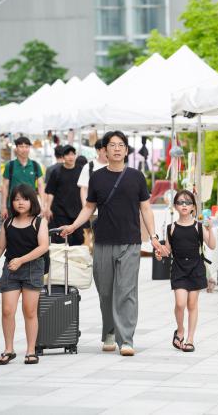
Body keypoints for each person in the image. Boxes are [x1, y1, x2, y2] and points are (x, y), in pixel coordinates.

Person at [58, 131, 165, 356]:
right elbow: (89, 207)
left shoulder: (136, 177)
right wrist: (73, 226)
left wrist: (154, 237)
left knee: (126, 291)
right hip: (103, 241)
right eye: (112, 145)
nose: (116, 149)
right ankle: (109, 331)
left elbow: (145, 208)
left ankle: (126, 339)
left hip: (130, 242)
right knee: (105, 291)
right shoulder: (97, 177)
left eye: (121, 145)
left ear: (126, 150)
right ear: (104, 150)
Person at [0, 185, 49, 365]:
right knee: (7, 310)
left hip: (33, 269)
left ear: (32, 201)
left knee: (29, 311)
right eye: (17, 199)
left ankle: (30, 350)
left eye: (25, 199)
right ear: (11, 202)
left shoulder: (39, 221)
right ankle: (9, 349)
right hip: (10, 270)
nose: (20, 202)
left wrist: (21, 260)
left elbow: (43, 247)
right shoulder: (8, 222)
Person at [158, 190, 215, 352]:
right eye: (180, 202)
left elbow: (212, 245)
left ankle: (190, 339)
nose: (184, 205)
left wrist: (210, 229)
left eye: (188, 202)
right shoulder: (171, 228)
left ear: (193, 207)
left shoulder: (198, 226)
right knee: (180, 303)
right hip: (178, 268)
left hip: (196, 268)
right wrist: (159, 252)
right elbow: (167, 251)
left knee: (192, 304)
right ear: (175, 206)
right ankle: (180, 329)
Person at [45, 145, 84, 246]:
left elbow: (86, 190)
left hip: (77, 211)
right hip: (60, 211)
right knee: (62, 239)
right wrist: (47, 208)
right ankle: (63, 261)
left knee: (79, 239)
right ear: (63, 157)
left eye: (73, 154)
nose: (71, 157)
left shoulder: (81, 171)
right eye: (68, 154)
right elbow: (50, 192)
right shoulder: (56, 172)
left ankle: (74, 261)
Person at [0, 136, 47, 220]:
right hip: (13, 205)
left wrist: (43, 205)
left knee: (31, 231)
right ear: (16, 148)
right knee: (12, 230)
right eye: (21, 146)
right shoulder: (10, 166)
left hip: (31, 204)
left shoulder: (35, 165)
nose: (24, 149)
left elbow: (41, 186)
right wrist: (3, 207)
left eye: (27, 147)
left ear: (29, 148)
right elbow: (5, 187)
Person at [77, 140, 108, 208]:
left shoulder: (114, 166)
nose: (108, 153)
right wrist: (85, 207)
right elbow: (84, 188)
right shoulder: (89, 166)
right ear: (98, 151)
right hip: (93, 210)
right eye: (105, 151)